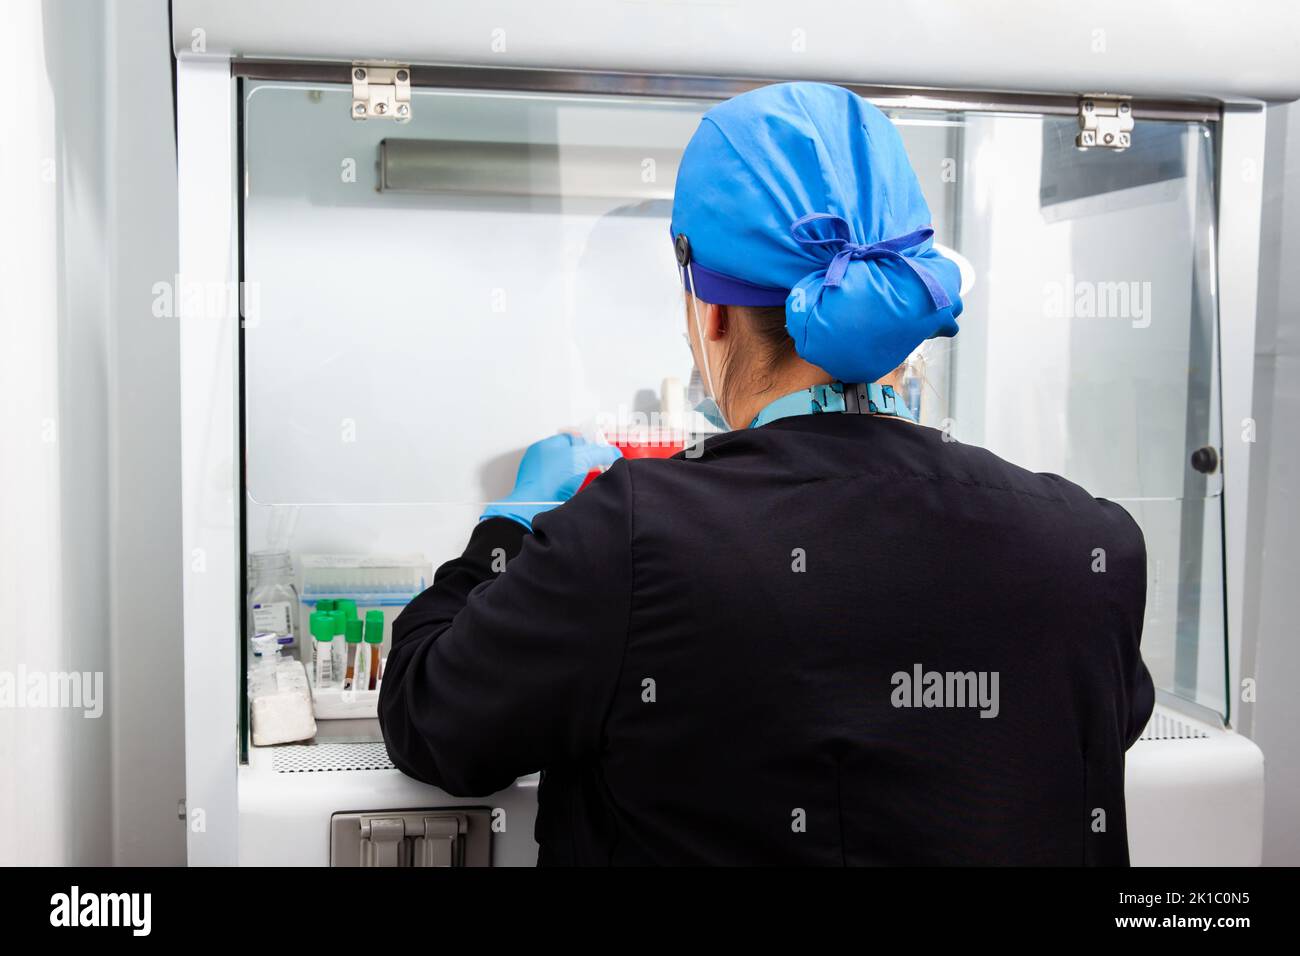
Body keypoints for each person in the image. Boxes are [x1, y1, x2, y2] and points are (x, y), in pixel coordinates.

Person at [379, 82, 1154, 865]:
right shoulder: (1090, 545)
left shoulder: (631, 536)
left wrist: (508, 527)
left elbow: (432, 718)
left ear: (709, 312)